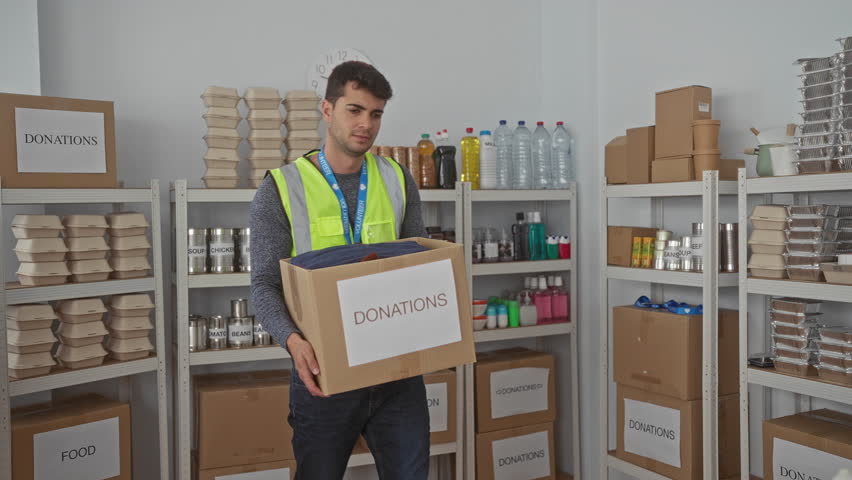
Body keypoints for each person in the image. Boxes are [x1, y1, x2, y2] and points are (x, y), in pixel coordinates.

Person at [249, 61, 430, 479]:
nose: (366, 124)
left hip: (396, 373)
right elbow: (263, 284)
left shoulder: (398, 180)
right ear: (327, 109)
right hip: (322, 377)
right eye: (354, 110)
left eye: (376, 113)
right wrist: (293, 342)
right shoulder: (281, 187)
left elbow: (419, 266)